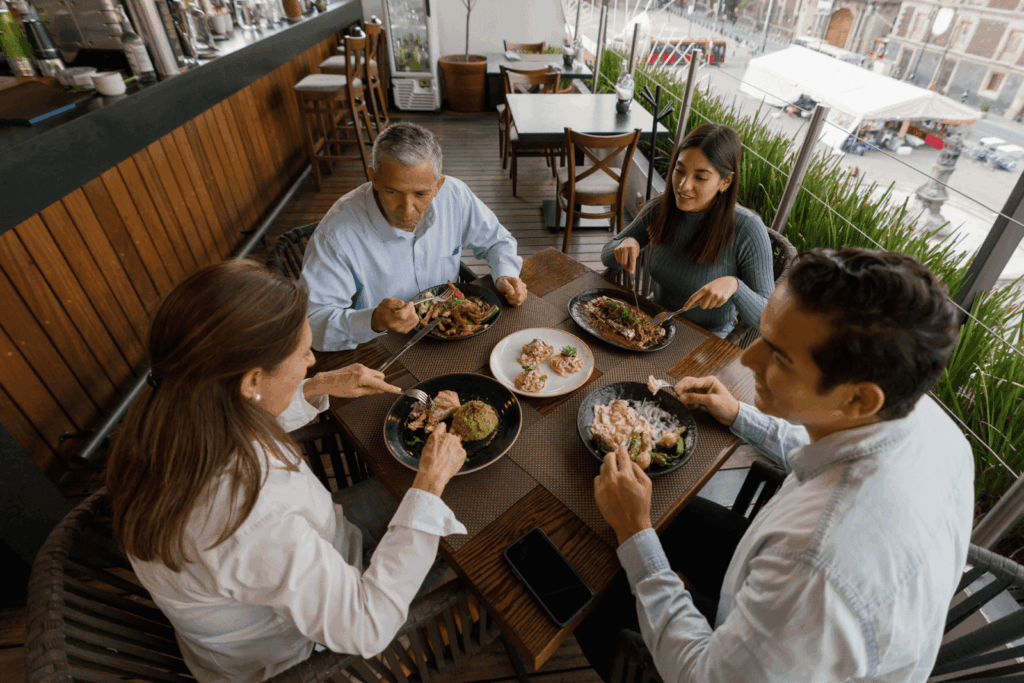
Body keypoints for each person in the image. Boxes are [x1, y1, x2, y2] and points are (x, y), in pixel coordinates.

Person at [576, 247, 974, 682]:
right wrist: (739, 414)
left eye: (779, 356)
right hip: (796, 621)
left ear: (859, 396)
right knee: (670, 517)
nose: (748, 360)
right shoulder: (927, 417)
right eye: (763, 337)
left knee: (585, 596)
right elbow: (831, 444)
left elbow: (702, 675)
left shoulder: (815, 570)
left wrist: (635, 532)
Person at [106, 260, 469, 683]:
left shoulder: (175, 408)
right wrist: (427, 483)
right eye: (302, 355)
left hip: (316, 550)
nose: (312, 361)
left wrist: (315, 387)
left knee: (441, 503)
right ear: (252, 380)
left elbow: (243, 429)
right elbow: (366, 627)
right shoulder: (248, 516)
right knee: (469, 551)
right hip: (302, 651)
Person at [301, 121, 527, 351]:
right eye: (392, 192)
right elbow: (312, 325)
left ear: (438, 186)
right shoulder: (335, 235)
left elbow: (498, 241)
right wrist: (374, 321)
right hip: (378, 346)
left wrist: (506, 275)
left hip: (451, 333)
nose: (408, 210)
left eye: (421, 193)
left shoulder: (454, 195)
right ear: (373, 178)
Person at [601, 123, 774, 338]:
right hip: (654, 324)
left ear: (726, 181)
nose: (683, 186)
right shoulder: (661, 208)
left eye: (700, 177)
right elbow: (607, 256)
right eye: (679, 170)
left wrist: (735, 286)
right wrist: (625, 244)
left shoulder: (747, 228)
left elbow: (769, 319)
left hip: (706, 338)